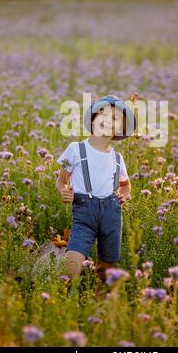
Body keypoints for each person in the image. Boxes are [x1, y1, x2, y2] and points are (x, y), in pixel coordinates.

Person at [55, 95, 136, 284]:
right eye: (103, 114)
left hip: (111, 214)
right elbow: (61, 180)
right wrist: (63, 191)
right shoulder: (75, 149)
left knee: (107, 265)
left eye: (115, 118)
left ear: (120, 129)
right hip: (84, 212)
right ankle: (63, 297)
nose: (108, 119)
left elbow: (125, 184)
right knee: (71, 262)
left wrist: (123, 196)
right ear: (92, 119)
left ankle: (102, 303)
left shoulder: (117, 158)